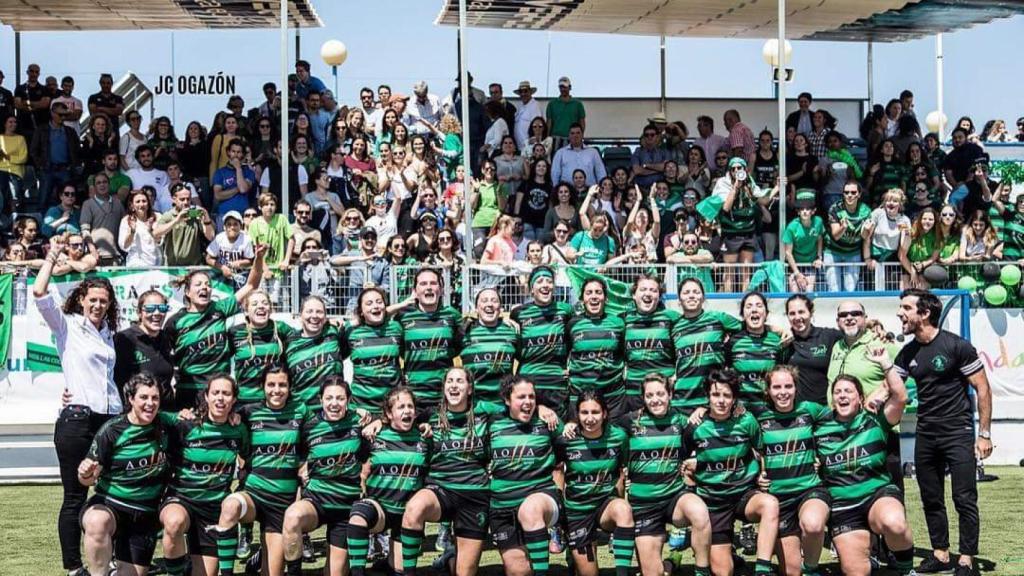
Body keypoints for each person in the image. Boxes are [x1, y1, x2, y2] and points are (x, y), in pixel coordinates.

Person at [32, 253, 122, 575]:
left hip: (111, 421)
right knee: (75, 495)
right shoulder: (67, 325)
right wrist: (52, 258)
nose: (98, 305)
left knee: (112, 491)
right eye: (93, 300)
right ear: (82, 299)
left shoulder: (110, 334)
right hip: (78, 420)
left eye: (104, 301)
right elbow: (40, 293)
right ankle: (74, 567)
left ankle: (109, 558)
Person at [895, 288, 993, 576]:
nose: (900, 313)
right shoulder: (908, 352)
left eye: (906, 308)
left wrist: (984, 433)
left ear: (924, 314)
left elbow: (983, 388)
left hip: (958, 432)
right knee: (931, 496)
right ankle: (940, 555)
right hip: (926, 434)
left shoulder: (956, 346)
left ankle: (966, 559)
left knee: (964, 497)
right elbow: (891, 385)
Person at [206, 364, 308, 576]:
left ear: (290, 387)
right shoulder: (248, 412)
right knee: (230, 505)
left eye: (282, 385)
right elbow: (219, 416)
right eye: (271, 384)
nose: (276, 390)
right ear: (262, 386)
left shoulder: (301, 410)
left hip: (282, 504)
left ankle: (259, 559)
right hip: (254, 495)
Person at [815, 371, 915, 576]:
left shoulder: (874, 419)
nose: (842, 395)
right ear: (832, 398)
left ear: (860, 398)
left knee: (894, 523)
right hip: (843, 507)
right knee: (857, 572)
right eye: (837, 392)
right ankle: (866, 549)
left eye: (848, 391)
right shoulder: (819, 427)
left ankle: (905, 569)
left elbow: (901, 397)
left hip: (876, 495)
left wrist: (886, 365)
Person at [399, 368, 496, 576]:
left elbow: (516, 407)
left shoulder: (486, 411)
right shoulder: (430, 416)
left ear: (470, 388)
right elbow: (397, 417)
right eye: (449, 381)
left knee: (464, 572)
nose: (453, 385)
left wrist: (543, 410)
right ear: (443, 388)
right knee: (414, 509)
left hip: (475, 494)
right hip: (441, 489)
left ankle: (450, 557)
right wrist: (378, 421)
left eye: (460, 381)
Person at [685, 368, 779, 576]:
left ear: (735, 398)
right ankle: (731, 558)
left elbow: (761, 449)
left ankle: (762, 569)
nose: (721, 400)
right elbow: (682, 460)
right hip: (714, 501)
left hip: (744, 495)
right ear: (707, 396)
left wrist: (762, 474)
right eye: (716, 394)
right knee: (723, 571)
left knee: (770, 504)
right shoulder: (695, 427)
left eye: (727, 395)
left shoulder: (746, 421)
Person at [77, 373, 171, 576]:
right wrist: (85, 473)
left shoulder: (166, 425)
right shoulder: (112, 430)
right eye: (143, 397)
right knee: (96, 521)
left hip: (145, 515)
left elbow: (199, 419)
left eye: (155, 398)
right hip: (112, 505)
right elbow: (87, 479)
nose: (150, 403)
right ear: (130, 399)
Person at [621, 374, 712, 576]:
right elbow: (599, 431)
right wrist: (573, 424)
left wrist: (704, 409)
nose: (656, 399)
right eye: (650, 395)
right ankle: (671, 563)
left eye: (661, 393)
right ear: (643, 398)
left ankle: (702, 572)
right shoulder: (629, 422)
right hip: (644, 508)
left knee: (699, 511)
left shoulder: (680, 421)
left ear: (670, 394)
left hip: (674, 499)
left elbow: (711, 438)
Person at [159, 374, 248, 576]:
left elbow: (247, 459)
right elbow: (156, 415)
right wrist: (178, 414)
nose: (220, 398)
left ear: (234, 399)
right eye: (215, 393)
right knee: (173, 523)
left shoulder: (238, 429)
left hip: (213, 508)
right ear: (206, 396)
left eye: (226, 394)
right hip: (182, 500)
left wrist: (242, 489)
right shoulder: (187, 424)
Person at [281, 377, 366, 576]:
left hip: (347, 507)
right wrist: (303, 471)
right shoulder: (309, 426)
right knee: (292, 516)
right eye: (329, 398)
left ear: (349, 400)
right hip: (317, 501)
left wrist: (376, 420)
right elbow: (298, 457)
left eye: (340, 398)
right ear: (320, 399)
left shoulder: (360, 423)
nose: (334, 403)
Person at [346, 387, 432, 576]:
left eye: (410, 406)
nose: (407, 411)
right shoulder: (374, 436)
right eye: (400, 407)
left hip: (407, 515)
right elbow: (359, 464)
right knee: (358, 515)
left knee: (400, 570)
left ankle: (389, 562)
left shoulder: (425, 438)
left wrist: (427, 426)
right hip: (380, 508)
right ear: (388, 413)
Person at [164, 249, 265, 410]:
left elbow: (251, 285)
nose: (205, 287)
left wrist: (259, 257)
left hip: (218, 389)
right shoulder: (175, 322)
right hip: (189, 391)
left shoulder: (220, 309)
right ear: (188, 292)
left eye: (208, 284)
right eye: (199, 284)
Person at [757, 366, 831, 576]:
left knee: (814, 525)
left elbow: (840, 421)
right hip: (779, 499)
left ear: (796, 388)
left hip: (810, 490)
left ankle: (812, 569)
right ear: (768, 391)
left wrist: (823, 458)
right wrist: (757, 475)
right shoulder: (760, 417)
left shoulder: (810, 409)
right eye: (777, 387)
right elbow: (748, 449)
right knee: (790, 572)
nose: (783, 392)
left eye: (788, 386)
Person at [487, 376, 563, 576]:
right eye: (521, 397)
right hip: (502, 508)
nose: (528, 402)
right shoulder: (492, 422)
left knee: (530, 509)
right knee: (518, 571)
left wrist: (546, 410)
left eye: (532, 397)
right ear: (506, 400)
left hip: (541, 496)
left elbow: (574, 444)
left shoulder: (548, 422)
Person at [395, 268, 463, 414]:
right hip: (413, 395)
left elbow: (461, 343)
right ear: (415, 290)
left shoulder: (452, 315)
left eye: (433, 283)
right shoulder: (403, 316)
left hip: (444, 394)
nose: (429, 287)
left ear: (441, 289)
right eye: (423, 283)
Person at [567, 277, 626, 416]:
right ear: (582, 299)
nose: (594, 296)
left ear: (606, 298)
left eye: (598, 292)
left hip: (613, 396)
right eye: (589, 293)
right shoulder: (572, 324)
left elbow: (625, 353)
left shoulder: (618, 323)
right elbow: (565, 352)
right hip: (579, 395)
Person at [621, 274, 679, 413]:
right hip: (634, 391)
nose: (648, 294)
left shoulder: (672, 318)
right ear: (634, 295)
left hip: (664, 391)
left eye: (653, 290)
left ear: (659, 295)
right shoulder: (624, 319)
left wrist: (676, 376)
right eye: (643, 289)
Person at [340, 288, 403, 413]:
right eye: (369, 303)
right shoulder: (350, 332)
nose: (375, 306)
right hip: (361, 407)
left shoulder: (396, 328)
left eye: (379, 302)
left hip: (392, 406)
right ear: (361, 311)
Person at [228, 289, 294, 406]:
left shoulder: (281, 328)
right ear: (246, 311)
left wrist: (328, 324)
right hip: (244, 400)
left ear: (271, 308)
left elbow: (304, 336)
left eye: (265, 303)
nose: (261, 306)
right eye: (254, 304)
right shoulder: (236, 332)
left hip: (274, 399)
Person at [724, 291, 783, 415]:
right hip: (741, 410)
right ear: (743, 314)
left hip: (770, 409)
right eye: (749, 306)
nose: (754, 310)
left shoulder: (777, 341)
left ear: (766, 313)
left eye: (759, 305)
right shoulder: (733, 341)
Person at [113, 291, 174, 404]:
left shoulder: (166, 338)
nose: (157, 313)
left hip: (166, 414)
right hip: (138, 415)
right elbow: (116, 381)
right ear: (139, 313)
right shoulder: (124, 339)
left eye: (162, 308)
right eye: (150, 308)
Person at [283, 296, 344, 407]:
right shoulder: (289, 342)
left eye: (319, 312)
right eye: (309, 311)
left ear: (325, 317)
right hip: (302, 412)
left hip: (333, 409)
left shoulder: (334, 333)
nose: (314, 316)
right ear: (300, 315)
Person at [460, 288, 518, 405]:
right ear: (476, 308)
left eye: (494, 300)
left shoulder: (512, 330)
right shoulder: (464, 332)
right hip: (474, 405)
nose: (489, 304)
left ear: (501, 308)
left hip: (503, 405)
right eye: (484, 300)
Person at [781, 294, 842, 405]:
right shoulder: (784, 341)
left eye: (801, 312)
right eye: (792, 313)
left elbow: (854, 332)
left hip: (824, 410)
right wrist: (780, 330)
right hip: (796, 412)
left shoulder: (828, 336)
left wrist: (876, 327)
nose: (797, 317)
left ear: (810, 312)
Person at [824, 181, 871, 292]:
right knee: (834, 290)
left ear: (859, 194)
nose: (849, 195)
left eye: (853, 192)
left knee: (850, 290)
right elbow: (836, 235)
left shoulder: (866, 211)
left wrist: (868, 230)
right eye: (846, 192)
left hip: (853, 252)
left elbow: (865, 237)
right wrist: (843, 227)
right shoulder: (835, 209)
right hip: (833, 251)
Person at [154, 184, 216, 266]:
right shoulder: (169, 215)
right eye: (182, 199)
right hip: (173, 267)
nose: (186, 202)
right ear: (174, 199)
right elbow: (156, 233)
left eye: (188, 199)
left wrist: (207, 219)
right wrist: (176, 220)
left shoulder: (196, 215)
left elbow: (211, 236)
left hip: (194, 267)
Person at [782, 190, 824, 292]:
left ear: (813, 211)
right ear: (798, 212)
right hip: (794, 265)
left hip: (810, 264)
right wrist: (797, 273)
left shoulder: (818, 222)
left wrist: (819, 257)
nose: (805, 211)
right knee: (794, 293)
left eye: (808, 209)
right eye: (802, 209)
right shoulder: (792, 227)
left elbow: (819, 239)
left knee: (809, 292)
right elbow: (788, 253)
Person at [80, 172, 126, 266]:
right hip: (95, 256)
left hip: (115, 255)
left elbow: (125, 228)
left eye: (104, 182)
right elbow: (85, 230)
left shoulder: (118, 204)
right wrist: (92, 249)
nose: (102, 185)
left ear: (109, 184)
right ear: (94, 186)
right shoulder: (88, 204)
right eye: (98, 183)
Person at [118, 189, 161, 266]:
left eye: (144, 201)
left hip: (156, 263)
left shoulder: (158, 217)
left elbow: (160, 241)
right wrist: (132, 231)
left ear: (148, 203)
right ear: (132, 205)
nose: (141, 204)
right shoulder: (126, 220)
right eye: (138, 202)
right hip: (135, 264)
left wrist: (151, 229)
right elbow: (124, 246)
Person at [546, 76, 586, 150]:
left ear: (570, 87)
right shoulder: (552, 104)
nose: (563, 89)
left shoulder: (578, 104)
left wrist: (580, 138)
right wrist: (547, 139)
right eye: (561, 87)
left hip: (572, 138)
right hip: (555, 138)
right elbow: (549, 123)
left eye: (565, 87)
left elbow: (582, 123)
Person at [513, 80, 543, 152]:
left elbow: (538, 126)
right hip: (520, 147)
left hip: (530, 147)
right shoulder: (520, 107)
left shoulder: (535, 106)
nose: (523, 94)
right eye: (521, 92)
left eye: (525, 91)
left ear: (530, 92)